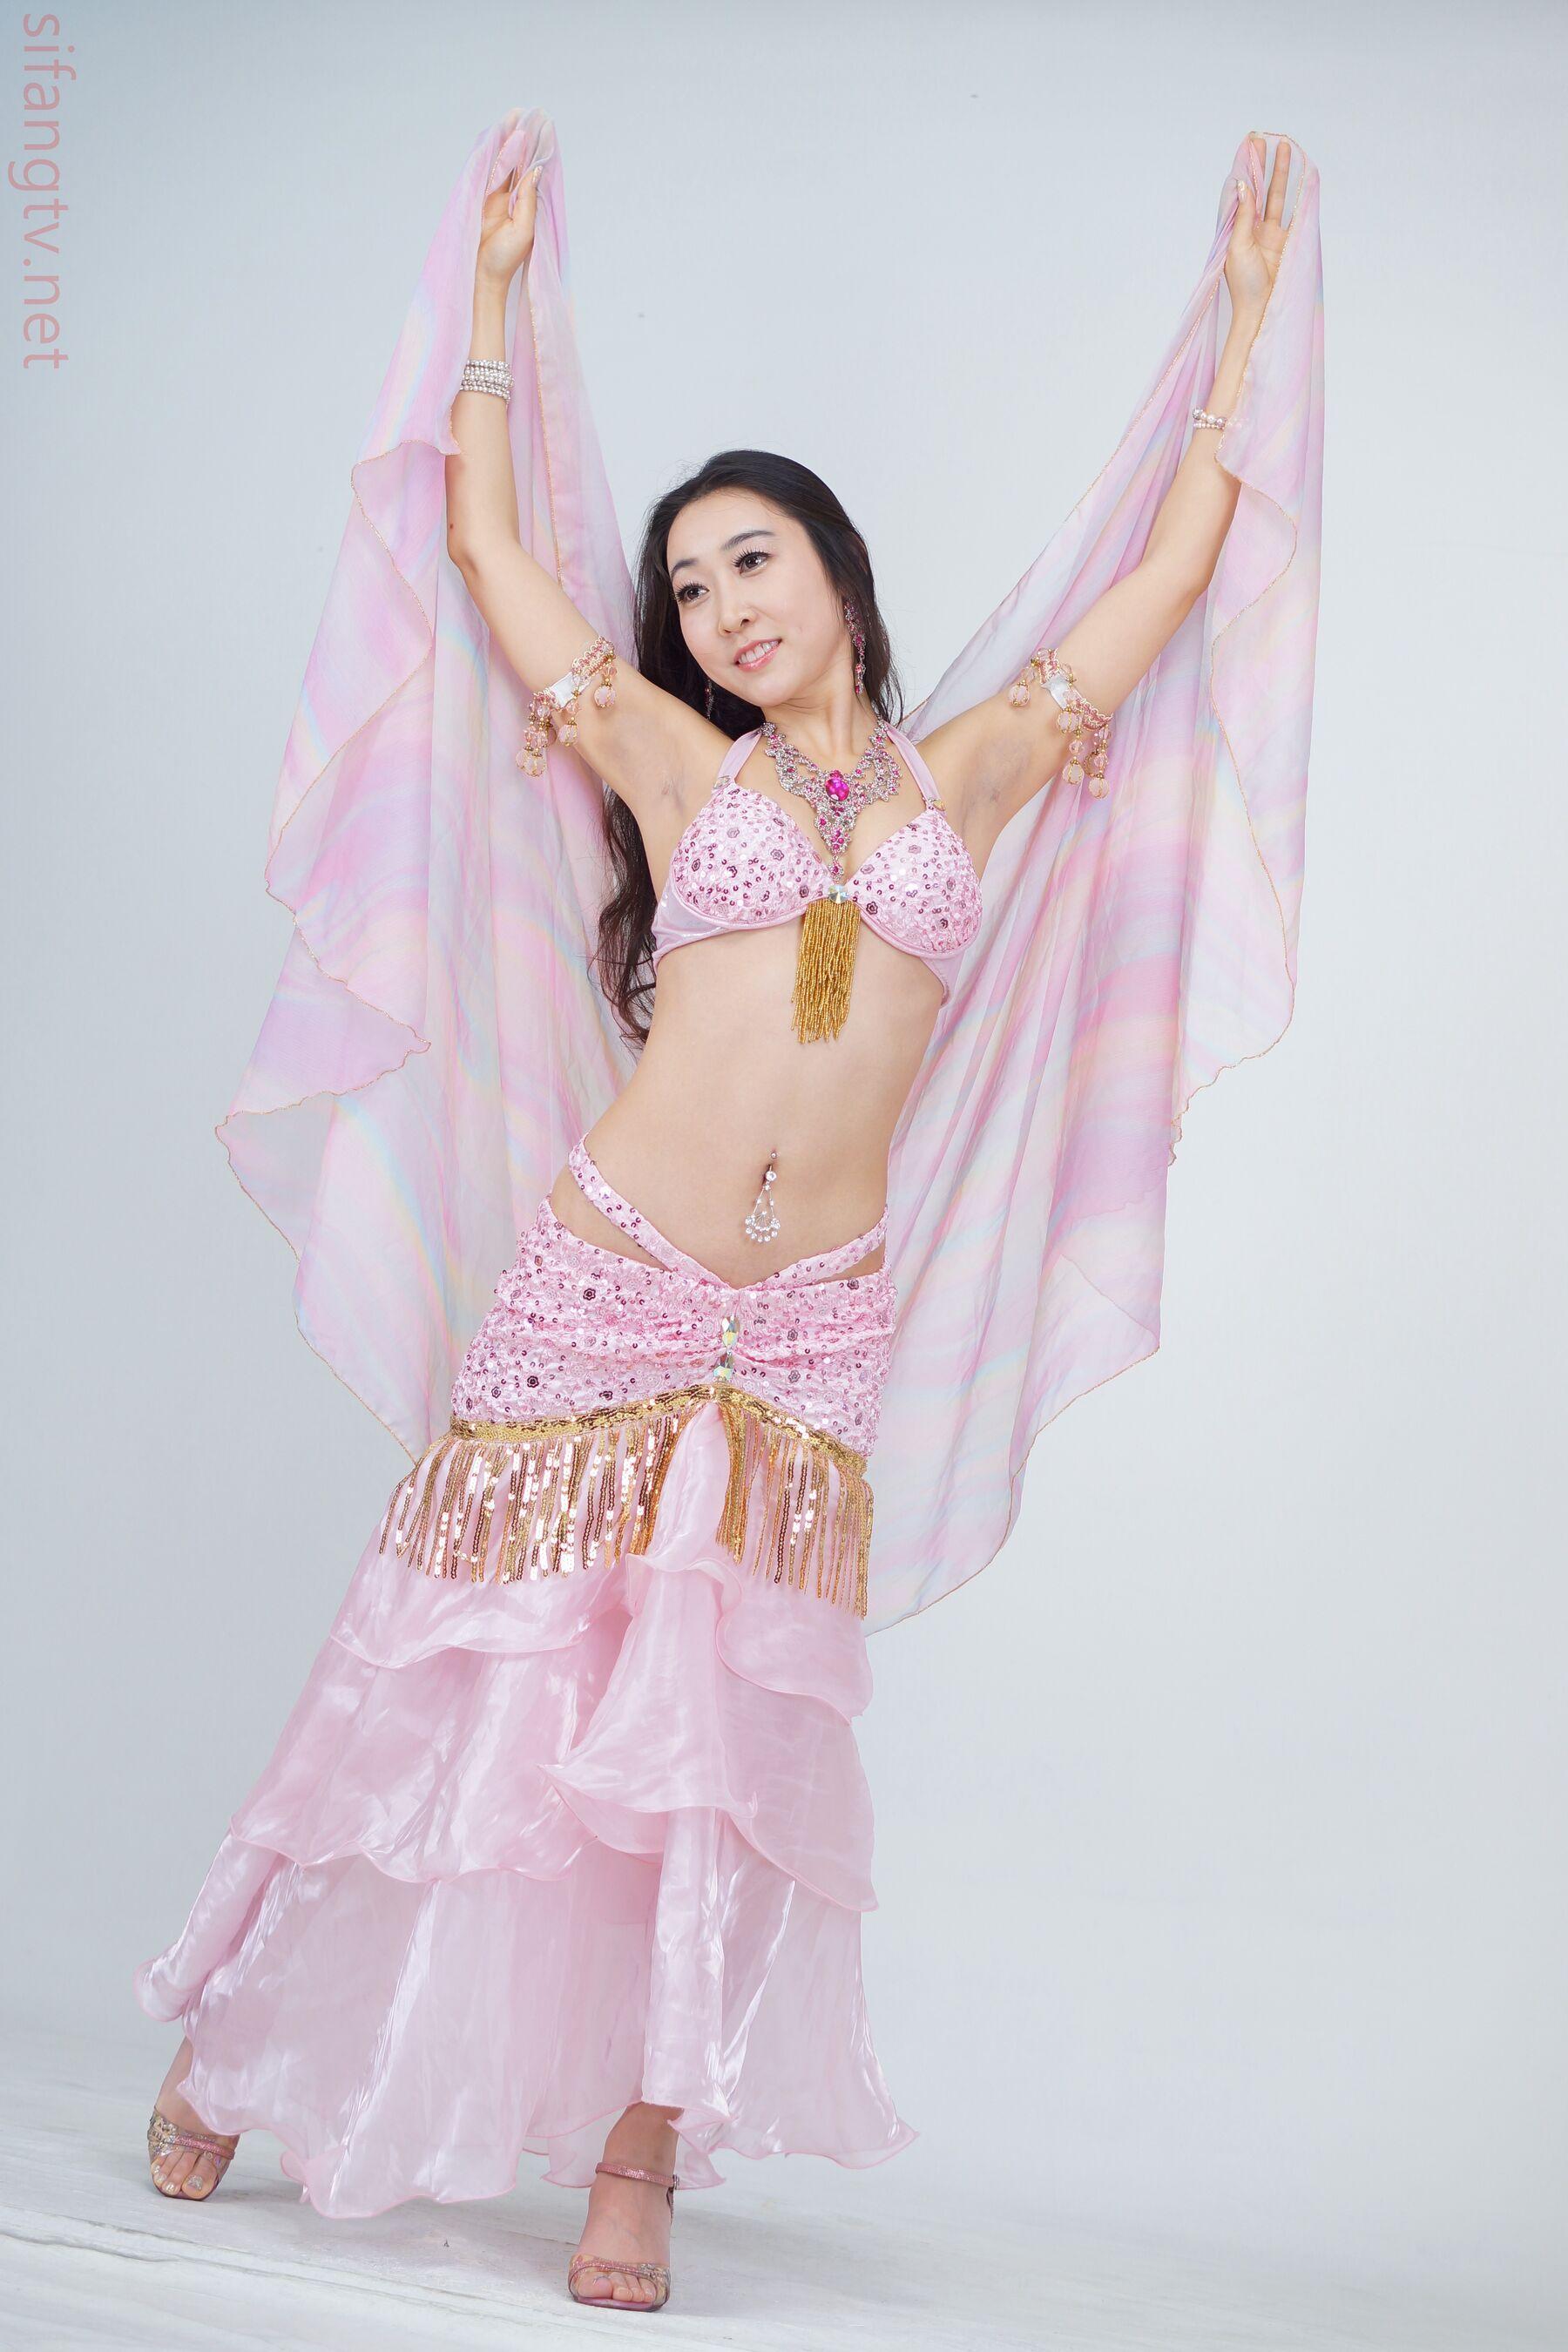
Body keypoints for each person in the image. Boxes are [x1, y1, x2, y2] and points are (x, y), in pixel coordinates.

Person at [135, 112, 1322, 2314]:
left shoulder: (976, 766)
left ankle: (640, 2163)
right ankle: (247, 2043)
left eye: (752, 562)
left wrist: (1242, 336)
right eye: (689, 587)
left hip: (804, 1330)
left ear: (838, 575)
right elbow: (483, 546)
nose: (721, 608)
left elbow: (1168, 579)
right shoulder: (677, 767)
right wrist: (492, 313)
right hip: (611, 1276)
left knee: (709, 1744)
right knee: (454, 1676)